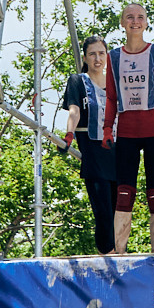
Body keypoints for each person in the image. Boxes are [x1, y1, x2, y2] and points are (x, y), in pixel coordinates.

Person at [104, 2, 154, 254]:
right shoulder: (113, 56)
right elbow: (111, 97)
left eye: (139, 17)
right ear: (122, 23)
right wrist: (108, 129)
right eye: (129, 17)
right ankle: (120, 252)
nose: (135, 21)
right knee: (124, 195)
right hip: (126, 133)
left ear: (146, 23)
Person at [62, 37, 117, 254]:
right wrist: (68, 133)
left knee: (120, 210)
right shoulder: (78, 81)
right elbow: (74, 111)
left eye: (101, 53)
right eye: (92, 54)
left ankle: (120, 253)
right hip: (94, 151)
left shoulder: (116, 83)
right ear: (85, 57)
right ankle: (108, 254)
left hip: (119, 151)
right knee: (103, 210)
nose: (97, 58)